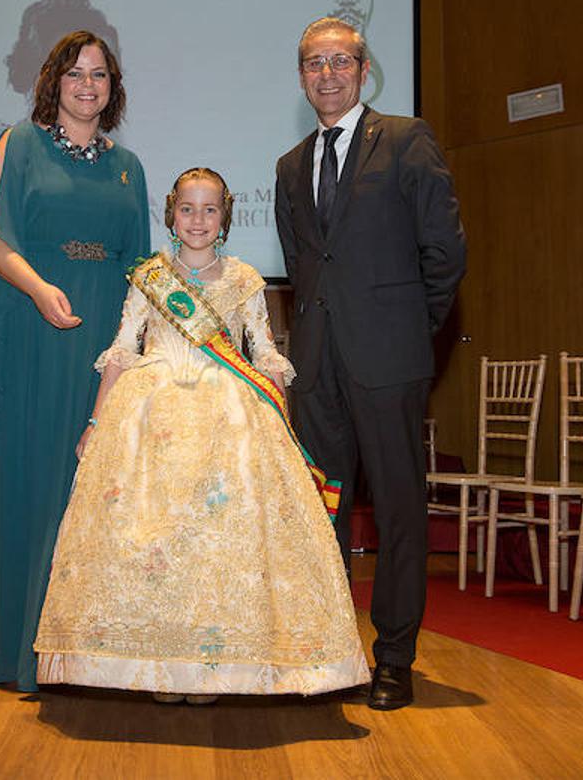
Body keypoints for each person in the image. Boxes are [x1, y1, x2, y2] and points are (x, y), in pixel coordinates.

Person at [34, 168, 367, 702]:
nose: (197, 220)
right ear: (171, 214)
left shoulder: (244, 279)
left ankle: (212, 670)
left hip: (228, 419)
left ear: (225, 218)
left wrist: (280, 424)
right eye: (187, 209)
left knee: (216, 549)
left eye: (209, 210)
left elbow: (263, 354)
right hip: (150, 415)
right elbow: (122, 351)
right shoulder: (150, 277)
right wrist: (96, 424)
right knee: (157, 545)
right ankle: (162, 667)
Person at [274, 18, 466, 711]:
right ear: (301, 77)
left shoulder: (407, 139)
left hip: (390, 361)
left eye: (340, 61)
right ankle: (328, 652)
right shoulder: (290, 166)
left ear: (362, 69)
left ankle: (393, 660)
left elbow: (445, 252)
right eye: (313, 63)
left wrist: (413, 333)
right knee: (322, 509)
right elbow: (304, 267)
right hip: (317, 365)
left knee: (398, 513)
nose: (327, 74)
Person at [0, 30, 150, 692]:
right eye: (75, 73)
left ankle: (90, 657)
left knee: (95, 494)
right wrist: (41, 290)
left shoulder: (129, 165)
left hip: (102, 342)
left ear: (112, 88)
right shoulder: (19, 144)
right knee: (37, 486)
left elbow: (140, 267)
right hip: (36, 327)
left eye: (99, 75)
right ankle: (21, 653)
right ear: (53, 82)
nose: (88, 84)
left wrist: (133, 349)